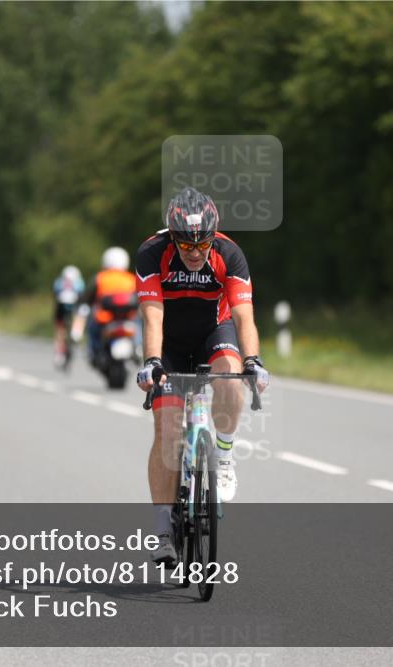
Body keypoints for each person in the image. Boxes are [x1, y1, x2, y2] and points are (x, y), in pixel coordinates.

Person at [134, 187, 270, 564]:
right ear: (171, 237)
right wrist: (153, 361)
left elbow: (244, 317)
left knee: (233, 370)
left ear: (214, 237)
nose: (195, 253)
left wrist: (254, 360)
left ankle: (223, 457)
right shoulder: (151, 253)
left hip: (215, 330)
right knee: (166, 429)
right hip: (170, 343)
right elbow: (152, 315)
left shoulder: (230, 254)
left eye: (202, 244)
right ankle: (163, 529)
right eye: (186, 245)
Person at [71, 247, 137, 363]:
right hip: (128, 319)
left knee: (92, 330)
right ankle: (138, 349)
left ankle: (94, 351)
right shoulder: (131, 279)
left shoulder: (100, 278)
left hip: (104, 320)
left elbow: (87, 298)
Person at [52, 265, 85, 368]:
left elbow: (55, 294)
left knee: (60, 328)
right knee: (81, 314)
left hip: (61, 306)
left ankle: (59, 353)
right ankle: (77, 332)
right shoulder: (79, 283)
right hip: (74, 306)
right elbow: (82, 297)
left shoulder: (59, 282)